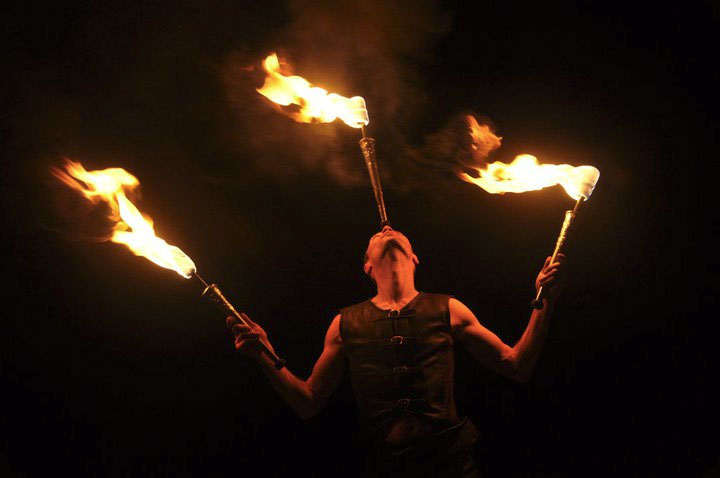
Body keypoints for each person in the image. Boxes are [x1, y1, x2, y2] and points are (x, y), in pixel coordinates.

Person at [227, 225, 566, 477]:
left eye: (396, 233)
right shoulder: (345, 323)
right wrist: (264, 356)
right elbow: (308, 401)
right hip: (384, 466)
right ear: (367, 267)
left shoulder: (449, 308)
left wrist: (545, 301)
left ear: (415, 259)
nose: (386, 229)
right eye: (375, 236)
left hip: (450, 463)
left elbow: (516, 365)